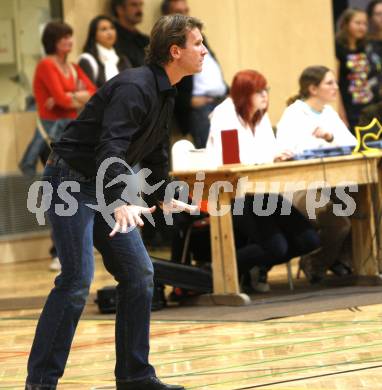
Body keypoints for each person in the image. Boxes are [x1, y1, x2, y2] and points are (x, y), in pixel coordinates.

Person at [25, 14, 207, 390]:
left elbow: (154, 153)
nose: (204, 50)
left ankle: (135, 376)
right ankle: (40, 383)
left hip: (100, 185)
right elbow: (112, 145)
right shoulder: (134, 86)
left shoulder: (165, 92)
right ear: (176, 51)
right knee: (76, 281)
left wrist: (163, 195)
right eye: (198, 44)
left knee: (140, 275)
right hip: (70, 181)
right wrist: (119, 199)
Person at [206, 70, 320, 292]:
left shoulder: (260, 114)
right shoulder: (225, 115)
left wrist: (282, 154)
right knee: (276, 247)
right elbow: (230, 162)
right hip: (232, 196)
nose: (265, 96)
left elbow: (272, 148)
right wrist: (270, 157)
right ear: (243, 94)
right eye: (259, 91)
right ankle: (214, 270)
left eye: (266, 90)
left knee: (309, 240)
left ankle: (256, 268)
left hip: (264, 192)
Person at [19, 21, 96, 272]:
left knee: (73, 191)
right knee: (57, 193)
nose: (69, 42)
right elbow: (61, 99)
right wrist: (75, 95)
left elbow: (93, 92)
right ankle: (58, 251)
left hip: (70, 136)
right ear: (53, 41)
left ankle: (73, 247)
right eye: (64, 38)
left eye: (70, 37)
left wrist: (69, 97)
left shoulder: (73, 67)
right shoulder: (45, 65)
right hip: (50, 137)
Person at [276, 65, 356, 283]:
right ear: (313, 88)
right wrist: (320, 140)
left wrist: (330, 137)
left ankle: (346, 262)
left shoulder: (329, 113)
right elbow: (288, 151)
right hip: (298, 188)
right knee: (339, 222)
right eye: (329, 83)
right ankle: (316, 261)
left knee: (363, 208)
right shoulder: (294, 114)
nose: (335, 87)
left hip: (331, 184)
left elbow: (352, 144)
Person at [161, 0, 228, 148]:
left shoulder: (197, 35)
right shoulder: (168, 43)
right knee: (212, 153)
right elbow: (167, 81)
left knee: (231, 148)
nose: (185, 16)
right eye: (179, 11)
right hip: (200, 107)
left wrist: (228, 92)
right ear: (167, 16)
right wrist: (187, 101)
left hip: (221, 101)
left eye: (186, 11)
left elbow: (212, 68)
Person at [335, 8, 380, 131]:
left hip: (371, 105)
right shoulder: (338, 49)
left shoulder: (367, 47)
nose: (362, 27)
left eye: (365, 24)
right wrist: (340, 112)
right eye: (358, 23)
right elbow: (336, 82)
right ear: (346, 23)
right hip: (351, 107)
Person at [78, 15, 131, 87]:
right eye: (104, 29)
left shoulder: (122, 59)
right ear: (94, 34)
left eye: (112, 28)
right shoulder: (87, 60)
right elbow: (88, 91)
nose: (110, 32)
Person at [111, 0, 149, 67]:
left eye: (141, 5)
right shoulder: (112, 38)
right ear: (120, 9)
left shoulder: (144, 39)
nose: (139, 9)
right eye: (134, 5)